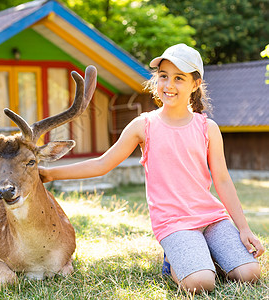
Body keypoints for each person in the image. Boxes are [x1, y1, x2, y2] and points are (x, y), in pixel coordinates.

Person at [39, 44, 265, 294]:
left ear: (195, 83)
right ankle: (175, 262)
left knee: (250, 274)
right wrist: (51, 173)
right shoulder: (143, 125)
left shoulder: (207, 128)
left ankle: (202, 252)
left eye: (179, 78)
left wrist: (243, 228)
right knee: (201, 283)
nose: (169, 85)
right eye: (164, 76)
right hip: (174, 223)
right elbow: (103, 164)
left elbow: (222, 179)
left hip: (212, 218)